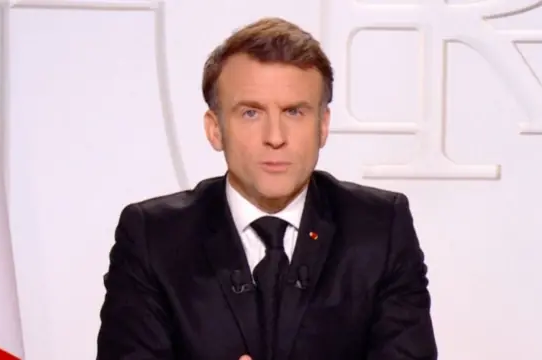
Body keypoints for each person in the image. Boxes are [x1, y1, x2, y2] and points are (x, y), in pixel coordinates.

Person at [96, 17, 437, 360]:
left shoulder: (380, 229)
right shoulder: (153, 237)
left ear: (323, 126)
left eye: (294, 112)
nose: (275, 137)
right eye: (250, 113)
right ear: (215, 129)